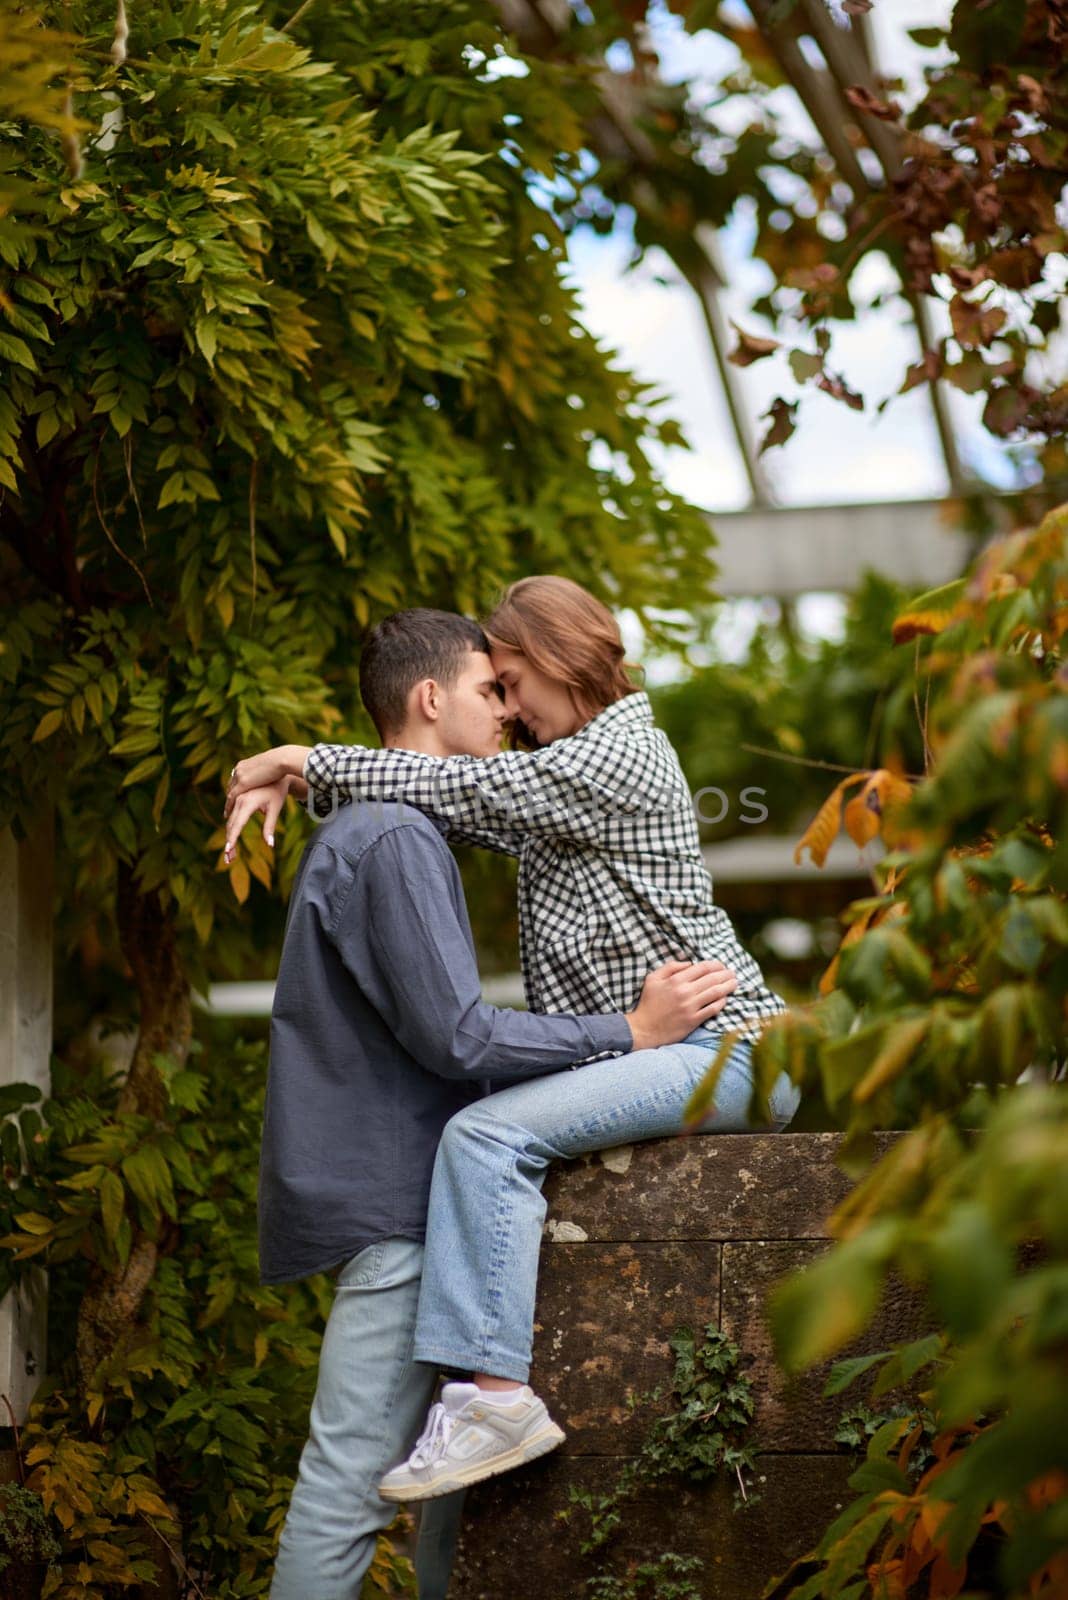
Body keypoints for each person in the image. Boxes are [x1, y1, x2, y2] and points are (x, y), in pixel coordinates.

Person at [228, 576, 798, 1507]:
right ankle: (480, 1414)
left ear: (559, 660)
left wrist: (303, 756)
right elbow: (439, 804)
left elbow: (466, 783)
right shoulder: (557, 792)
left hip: (723, 1051)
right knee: (495, 1130)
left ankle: (495, 1401)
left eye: (511, 681)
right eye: (489, 687)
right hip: (668, 1058)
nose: (508, 706)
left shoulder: (619, 753)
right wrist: (308, 777)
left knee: (485, 1134)